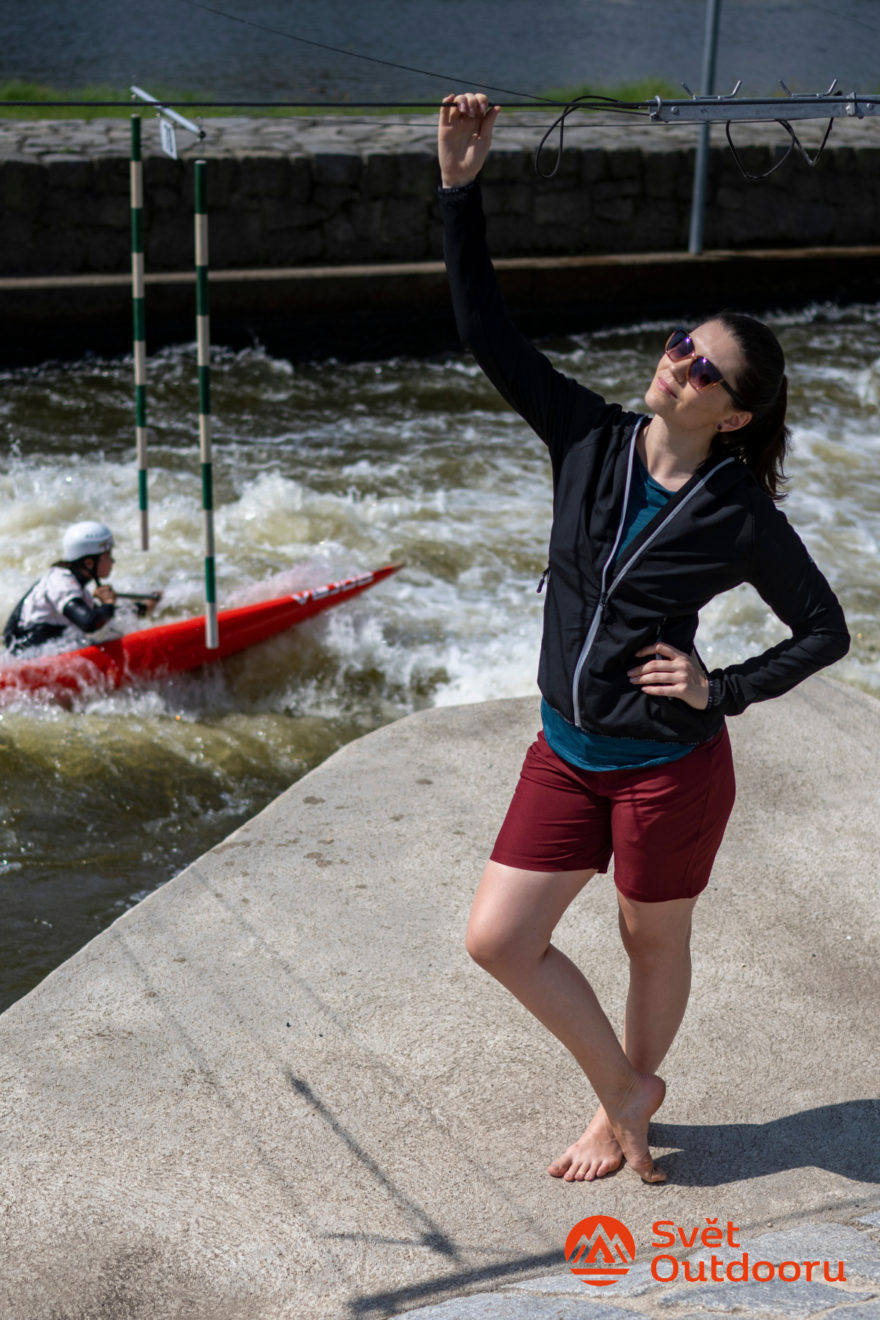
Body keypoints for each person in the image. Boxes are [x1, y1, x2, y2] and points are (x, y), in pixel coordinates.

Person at [437, 93, 850, 1185]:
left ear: (735, 415)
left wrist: (724, 688)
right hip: (566, 749)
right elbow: (486, 332)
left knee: (648, 941)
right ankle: (626, 1090)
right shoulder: (587, 436)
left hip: (667, 767)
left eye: (703, 369)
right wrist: (459, 189)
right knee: (497, 939)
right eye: (680, 346)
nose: (677, 365)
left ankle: (614, 1106)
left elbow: (825, 630)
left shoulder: (739, 515)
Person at [3, 520, 159, 657]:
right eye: (108, 555)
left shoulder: (76, 586)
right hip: (26, 651)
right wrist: (108, 603)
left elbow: (105, 616)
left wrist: (143, 607)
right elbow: (89, 622)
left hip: (43, 645)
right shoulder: (60, 582)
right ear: (89, 563)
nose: (112, 561)